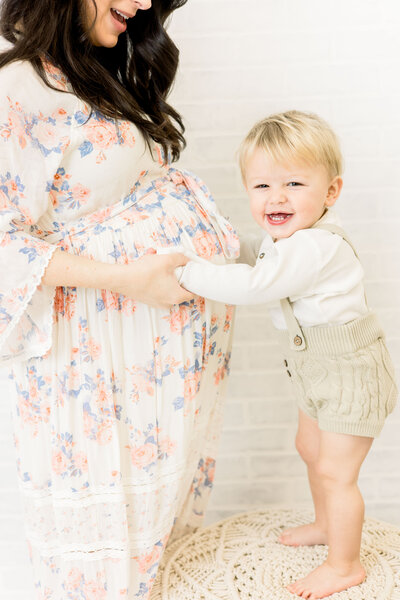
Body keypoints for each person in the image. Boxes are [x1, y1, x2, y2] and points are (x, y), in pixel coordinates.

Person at [0, 1, 239, 598]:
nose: (140, 3)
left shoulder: (91, 68)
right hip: (92, 357)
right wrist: (128, 280)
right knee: (108, 569)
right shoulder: (16, 87)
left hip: (147, 365)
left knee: (154, 554)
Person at [176, 110, 398, 599]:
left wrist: (190, 274)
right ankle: (325, 524)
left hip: (350, 374)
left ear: (331, 192)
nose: (276, 197)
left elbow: (259, 282)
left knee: (337, 472)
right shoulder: (291, 240)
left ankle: (344, 565)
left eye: (294, 183)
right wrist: (228, 246)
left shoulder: (315, 247)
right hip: (316, 371)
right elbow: (259, 253)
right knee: (311, 451)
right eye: (261, 186)